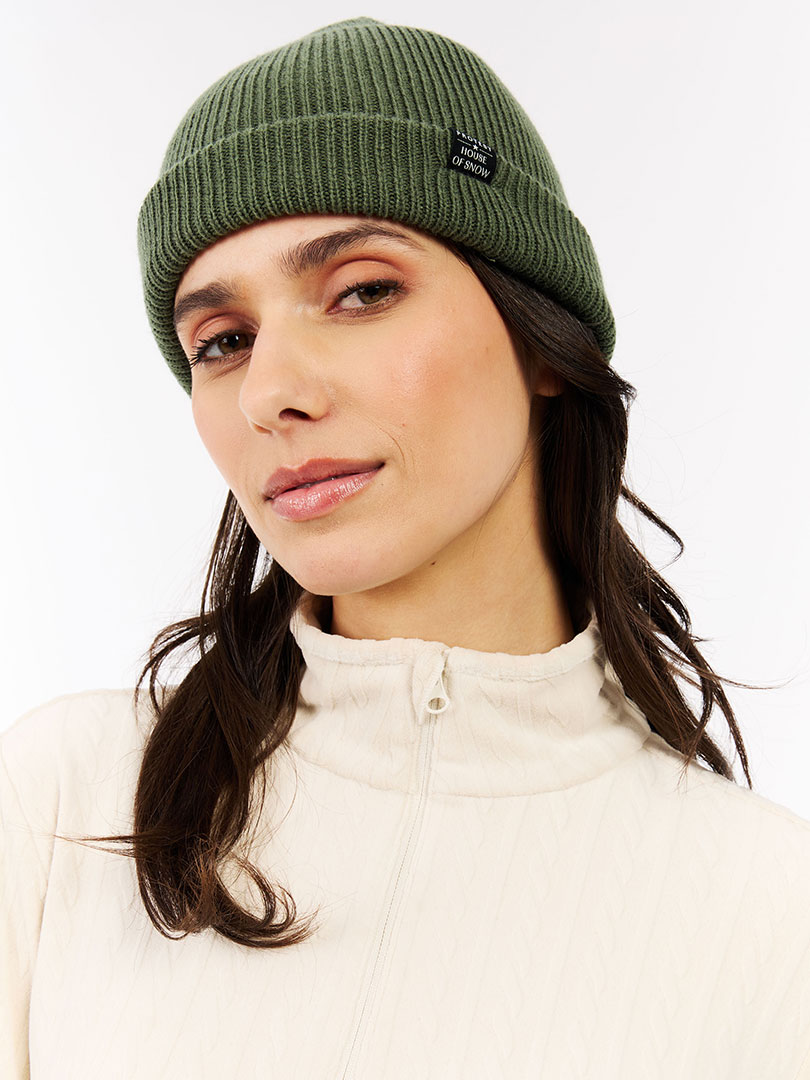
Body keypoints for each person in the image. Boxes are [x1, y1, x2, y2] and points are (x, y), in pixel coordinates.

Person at [2, 15, 810, 1079]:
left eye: (364, 291)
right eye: (224, 341)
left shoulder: (770, 917)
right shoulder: (65, 803)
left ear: (541, 337)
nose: (270, 393)